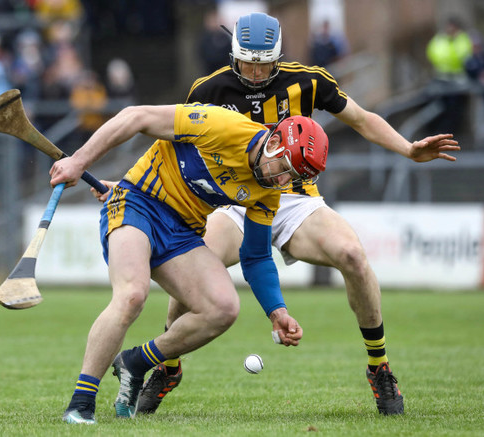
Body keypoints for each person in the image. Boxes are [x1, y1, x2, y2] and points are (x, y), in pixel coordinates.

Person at [134, 12, 460, 417]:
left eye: (264, 63)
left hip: (295, 199)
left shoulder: (309, 80)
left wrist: (408, 148)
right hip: (234, 200)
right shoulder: (210, 87)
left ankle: (379, 367)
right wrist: (133, 184)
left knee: (354, 257)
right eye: (248, 62)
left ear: (279, 56)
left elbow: (361, 119)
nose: (255, 72)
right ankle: (168, 367)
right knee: (190, 275)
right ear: (234, 55)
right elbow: (172, 142)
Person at [51, 102, 330, 424]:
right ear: (274, 142)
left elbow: (255, 256)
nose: (282, 181)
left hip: (183, 233)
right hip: (137, 204)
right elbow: (135, 116)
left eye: (291, 179)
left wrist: (277, 311)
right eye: (283, 168)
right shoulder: (223, 126)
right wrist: (79, 161)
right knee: (132, 295)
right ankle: (81, 402)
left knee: (223, 308)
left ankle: (136, 362)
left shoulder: (267, 192)